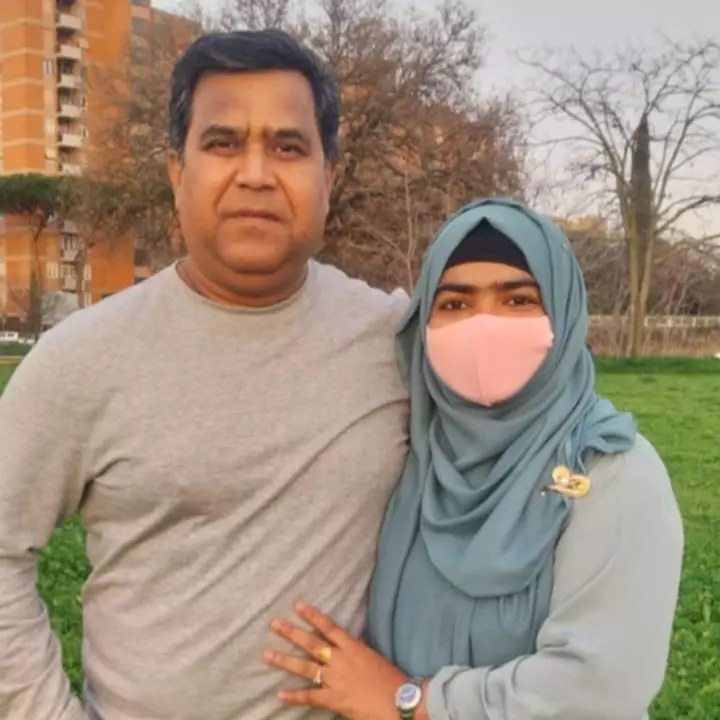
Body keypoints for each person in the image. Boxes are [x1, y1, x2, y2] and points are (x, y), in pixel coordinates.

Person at [0, 30, 410, 720]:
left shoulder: (398, 341)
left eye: (288, 147)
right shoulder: (83, 359)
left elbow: (537, 434)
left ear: (329, 177)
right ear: (175, 171)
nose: (256, 173)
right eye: (223, 143)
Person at [264, 198, 684, 720]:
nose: (484, 324)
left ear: (563, 313)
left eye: (518, 299)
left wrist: (411, 701)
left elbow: (599, 687)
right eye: (455, 304)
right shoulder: (416, 459)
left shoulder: (613, 471)